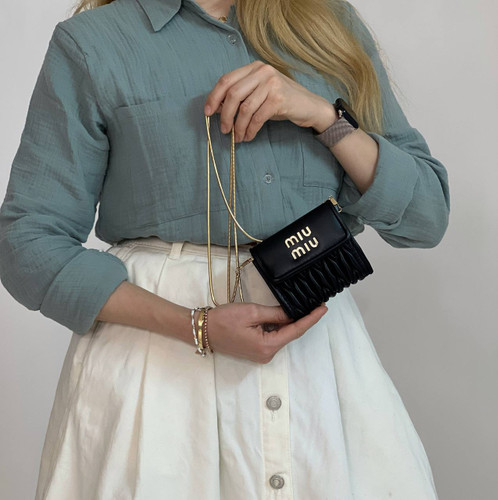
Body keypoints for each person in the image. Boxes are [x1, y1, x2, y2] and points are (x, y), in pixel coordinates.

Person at [0, 0, 450, 498]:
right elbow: (27, 242)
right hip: (157, 372)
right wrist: (194, 326)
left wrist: (325, 117)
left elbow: (426, 216)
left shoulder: (326, 22)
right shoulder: (94, 42)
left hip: (321, 369)